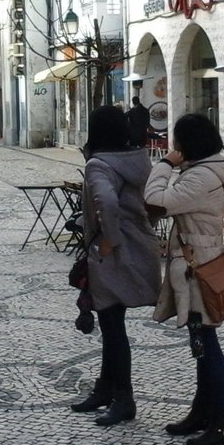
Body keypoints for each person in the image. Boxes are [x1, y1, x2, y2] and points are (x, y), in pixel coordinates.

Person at [143, 112, 224, 445]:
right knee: (200, 343)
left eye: (176, 140)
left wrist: (164, 164)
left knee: (208, 346)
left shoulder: (200, 177)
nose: (173, 145)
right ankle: (202, 412)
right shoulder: (204, 172)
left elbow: (156, 201)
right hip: (198, 263)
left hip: (199, 269)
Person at [70, 105, 161, 427]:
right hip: (140, 247)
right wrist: (141, 223)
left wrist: (109, 239)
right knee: (112, 322)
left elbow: (106, 201)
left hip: (114, 253)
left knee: (113, 328)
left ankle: (124, 398)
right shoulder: (138, 159)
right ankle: (105, 389)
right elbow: (154, 200)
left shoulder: (99, 164)